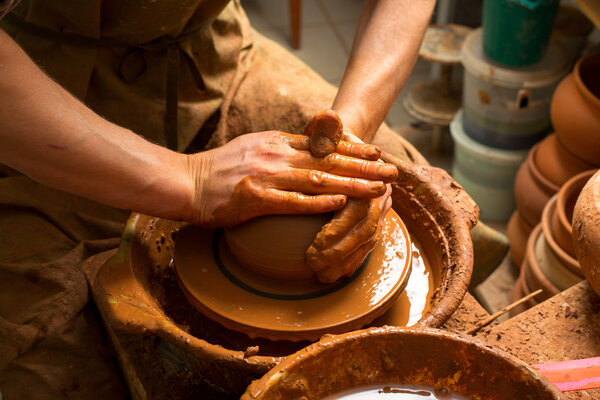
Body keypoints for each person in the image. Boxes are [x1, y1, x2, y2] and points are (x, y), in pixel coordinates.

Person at [0, 0, 436, 397]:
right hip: (39, 103)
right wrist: (193, 179)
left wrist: (343, 140)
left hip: (208, 56)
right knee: (52, 358)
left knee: (402, 171)